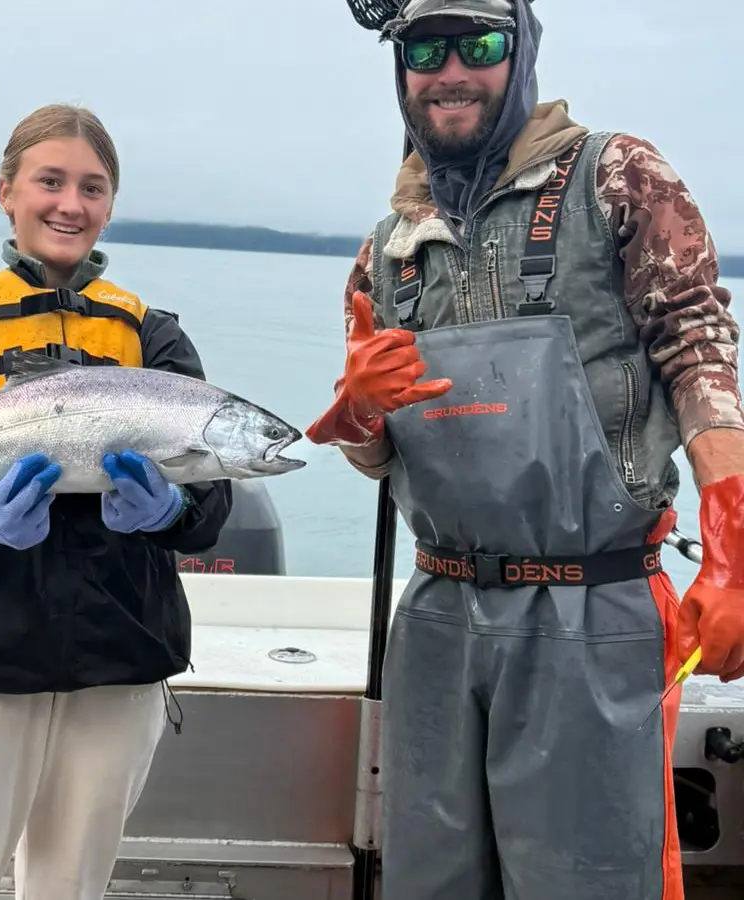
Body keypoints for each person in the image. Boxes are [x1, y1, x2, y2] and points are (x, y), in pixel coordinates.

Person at [306, 1, 744, 898]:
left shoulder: (616, 176)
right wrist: (356, 415)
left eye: (481, 43)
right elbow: (376, 452)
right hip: (435, 612)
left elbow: (697, 348)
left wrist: (733, 538)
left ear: (523, 51)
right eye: (426, 49)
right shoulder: (386, 251)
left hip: (592, 605)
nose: (451, 68)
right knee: (432, 880)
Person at [0, 103, 233, 900]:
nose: (71, 204)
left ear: (110, 206)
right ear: (6, 191)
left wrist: (169, 513)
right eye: (50, 181)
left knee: (71, 887)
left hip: (118, 662)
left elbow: (211, 507)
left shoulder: (153, 336)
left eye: (93, 188)